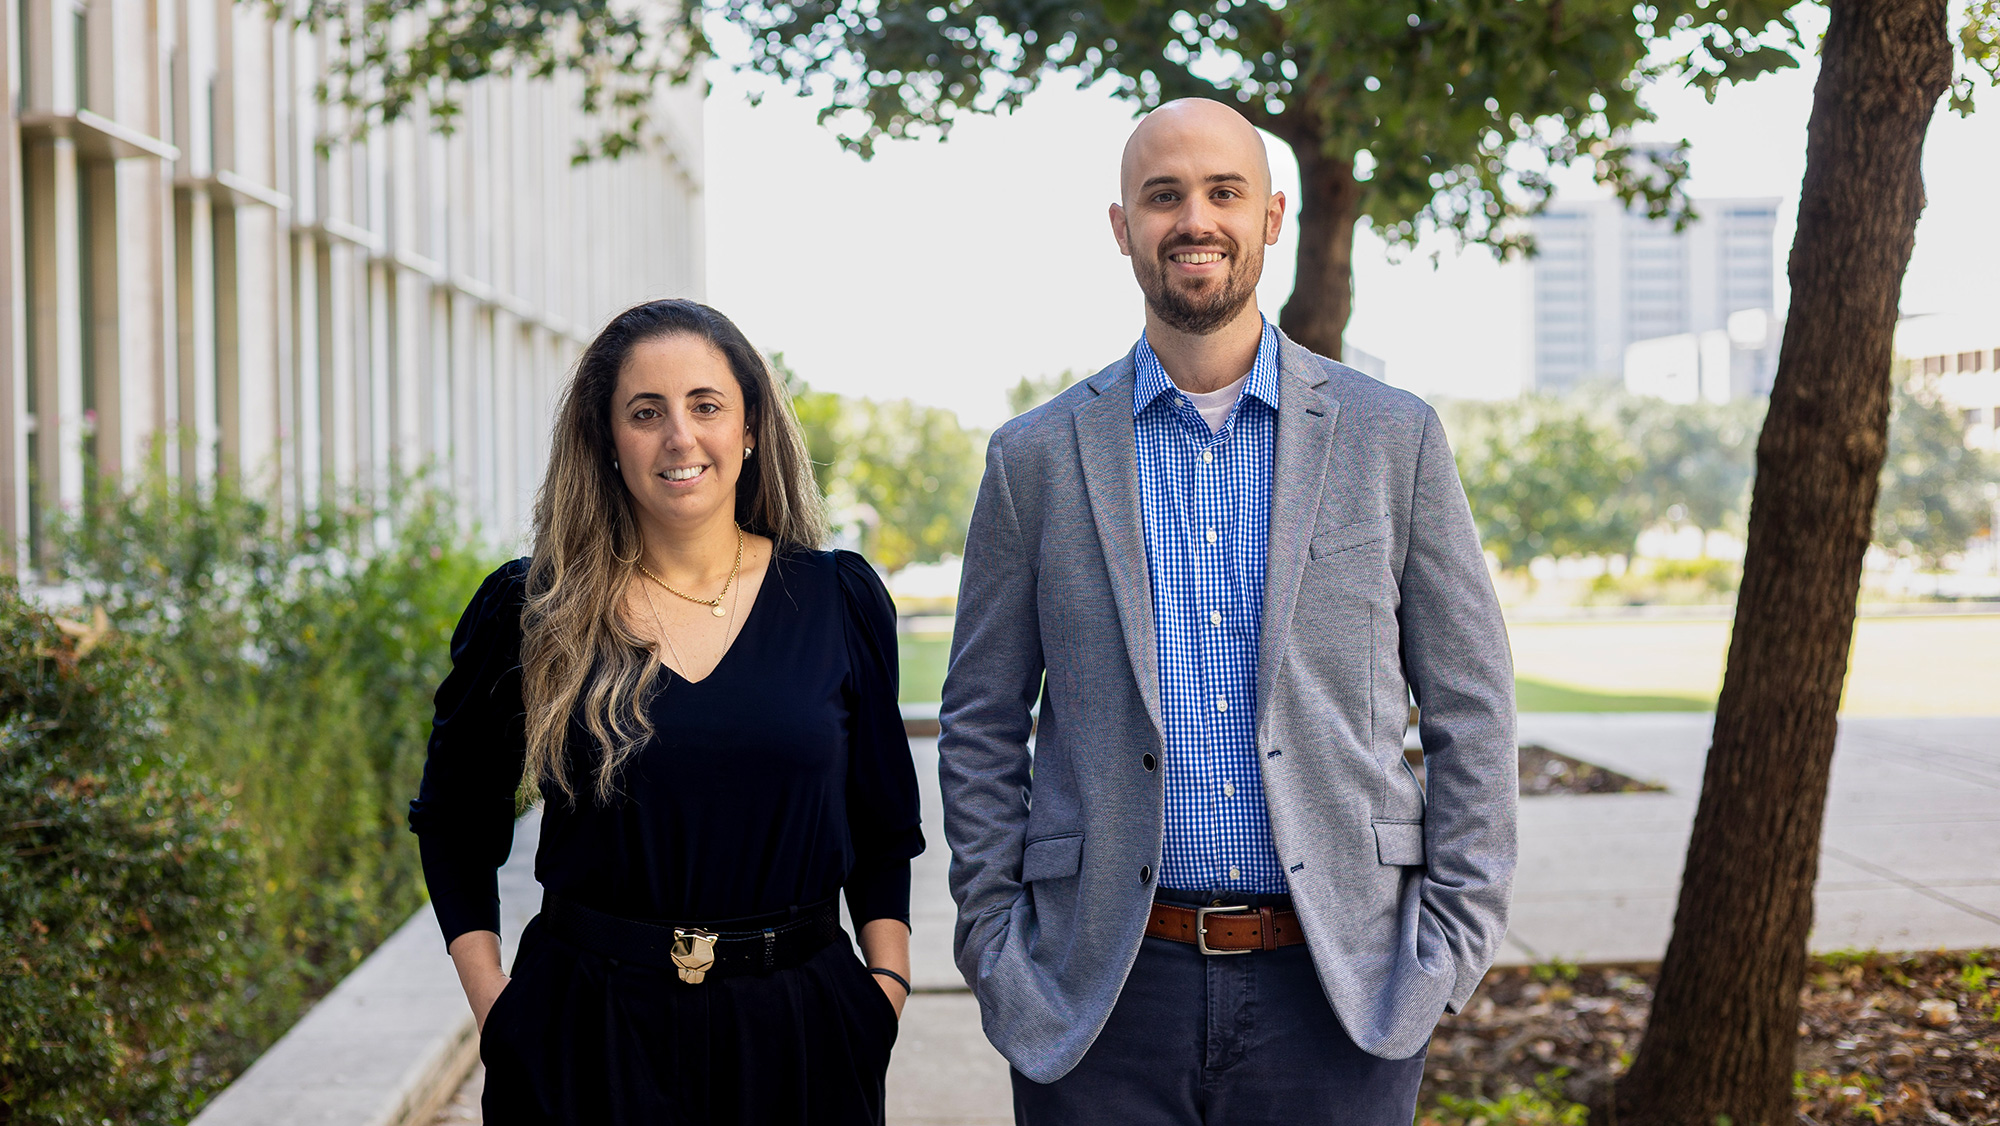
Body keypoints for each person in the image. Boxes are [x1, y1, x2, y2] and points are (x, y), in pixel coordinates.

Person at [938, 99, 1518, 1123]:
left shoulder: (1392, 438)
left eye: (1222, 192)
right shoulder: (1033, 461)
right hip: (1102, 993)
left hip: (1339, 987)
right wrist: (995, 944)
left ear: (1271, 217)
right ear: (1121, 227)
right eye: (1162, 195)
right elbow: (980, 721)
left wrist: (1449, 944)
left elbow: (1470, 704)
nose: (1192, 218)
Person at [408, 299, 924, 1125]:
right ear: (608, 441)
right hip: (586, 1037)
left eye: (706, 405)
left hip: (799, 1036)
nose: (680, 436)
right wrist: (502, 1012)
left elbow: (883, 825)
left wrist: (882, 993)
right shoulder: (531, 607)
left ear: (750, 427)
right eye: (645, 413)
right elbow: (455, 819)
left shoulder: (837, 600)